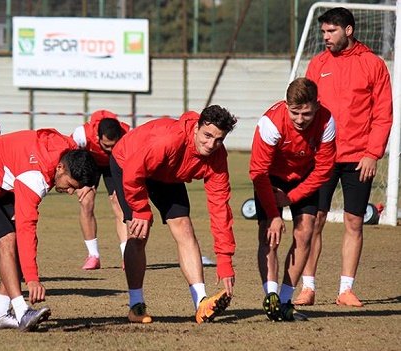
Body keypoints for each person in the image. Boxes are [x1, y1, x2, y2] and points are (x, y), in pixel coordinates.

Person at [0, 129, 98, 331]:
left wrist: (90, 184)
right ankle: (22, 312)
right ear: (61, 167)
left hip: (0, 186)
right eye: (71, 185)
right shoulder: (34, 177)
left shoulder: (67, 150)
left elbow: (82, 155)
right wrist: (32, 279)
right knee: (9, 240)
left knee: (15, 245)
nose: (71, 192)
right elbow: (27, 229)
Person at [296, 7, 393, 307]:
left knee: (354, 222)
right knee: (314, 220)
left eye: (331, 31)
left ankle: (345, 290)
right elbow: (304, 110)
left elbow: (383, 114)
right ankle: (307, 287)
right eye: (323, 32)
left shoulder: (373, 65)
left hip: (358, 158)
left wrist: (373, 153)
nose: (325, 37)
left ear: (348, 30)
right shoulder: (317, 64)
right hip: (321, 156)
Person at [110, 105, 236, 324]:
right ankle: (136, 306)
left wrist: (224, 259)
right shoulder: (168, 140)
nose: (211, 144)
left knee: (184, 227)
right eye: (207, 136)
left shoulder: (217, 157)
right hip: (128, 163)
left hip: (167, 173)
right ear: (197, 128)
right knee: (139, 233)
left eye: (219, 140)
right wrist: (140, 209)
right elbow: (133, 171)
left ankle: (201, 304)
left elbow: (220, 208)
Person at [250, 78, 336, 322]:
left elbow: (324, 169)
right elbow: (258, 173)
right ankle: (272, 298)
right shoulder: (270, 123)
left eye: (306, 113)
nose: (300, 119)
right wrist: (275, 214)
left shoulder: (327, 121)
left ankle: (286, 300)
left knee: (306, 232)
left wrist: (290, 198)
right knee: (269, 236)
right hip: (269, 179)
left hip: (304, 178)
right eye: (295, 112)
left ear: (316, 106)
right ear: (286, 105)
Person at [70, 109, 130, 270]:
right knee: (86, 201)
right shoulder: (81, 134)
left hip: (115, 165)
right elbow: (71, 157)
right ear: (97, 137)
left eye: (114, 145)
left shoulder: (128, 133)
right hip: (90, 163)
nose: (110, 149)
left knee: (120, 203)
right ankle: (93, 255)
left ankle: (127, 255)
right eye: (106, 145)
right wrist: (78, 181)